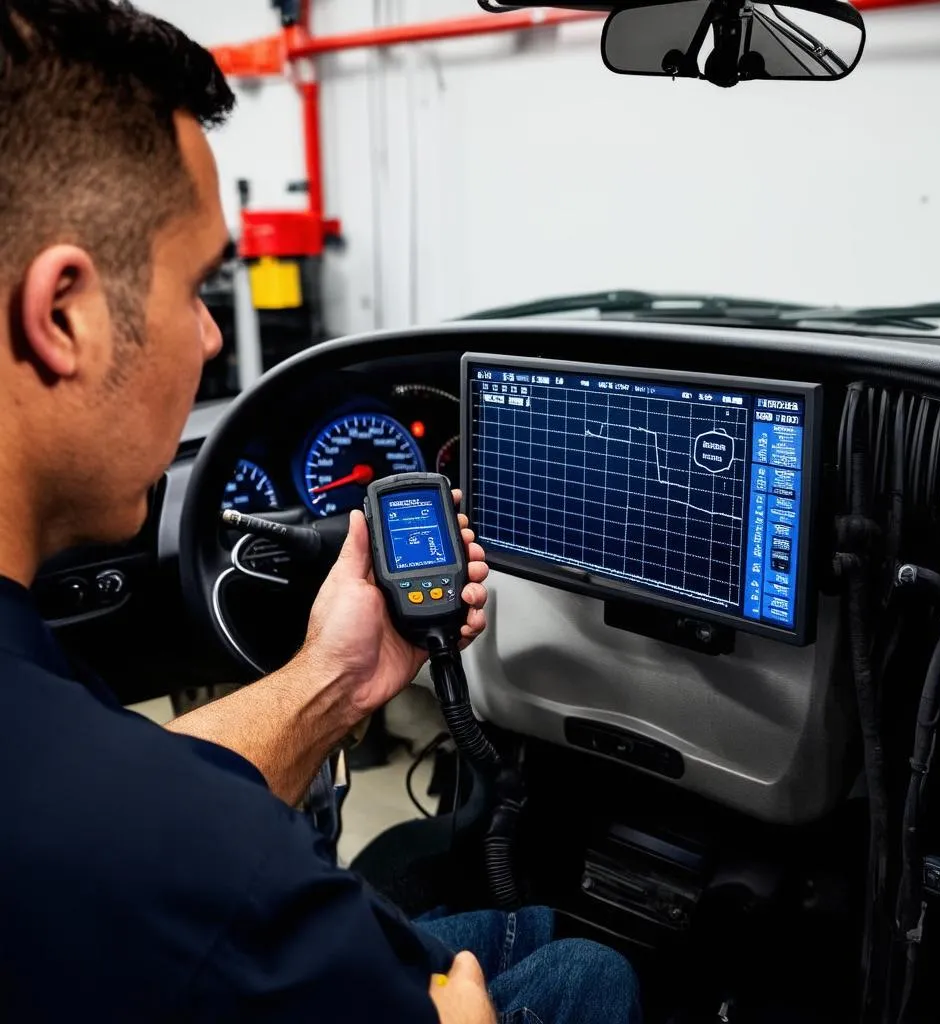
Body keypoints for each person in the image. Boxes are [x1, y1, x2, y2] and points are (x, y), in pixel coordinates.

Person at [0, 2, 643, 1022]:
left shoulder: (59, 760)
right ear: (64, 314)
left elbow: (112, 799)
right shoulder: (216, 884)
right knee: (591, 979)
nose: (211, 339)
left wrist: (336, 678)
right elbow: (143, 837)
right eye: (199, 287)